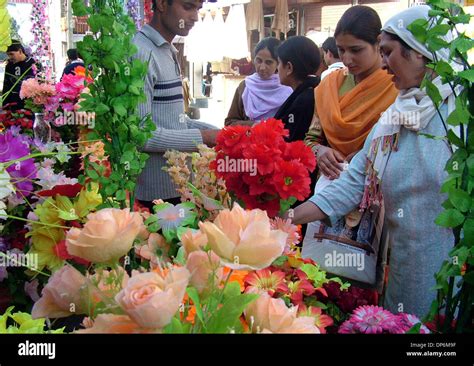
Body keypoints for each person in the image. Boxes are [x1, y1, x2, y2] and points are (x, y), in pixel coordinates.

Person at [288, 5, 459, 318]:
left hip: (454, 274)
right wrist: (286, 219)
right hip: (402, 268)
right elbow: (353, 183)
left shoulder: (460, 120)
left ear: (420, 53)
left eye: (389, 52)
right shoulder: (393, 117)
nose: (383, 62)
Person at [133, 0, 219, 209]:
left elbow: (174, 120)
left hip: (177, 188)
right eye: (188, 7)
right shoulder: (141, 52)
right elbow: (141, 135)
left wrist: (223, 134)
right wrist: (205, 138)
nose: (195, 17)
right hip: (154, 196)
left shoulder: (166, 49)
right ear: (162, 4)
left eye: (197, 9)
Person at [304, 6, 398, 181]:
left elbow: (405, 146)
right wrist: (320, 152)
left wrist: (369, 155)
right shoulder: (329, 84)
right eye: (341, 50)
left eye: (356, 50)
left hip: (376, 186)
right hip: (330, 185)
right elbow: (310, 139)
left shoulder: (396, 84)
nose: (346, 59)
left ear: (378, 43)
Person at [225, 37, 292, 126]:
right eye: (259, 60)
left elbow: (292, 124)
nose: (262, 67)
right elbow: (230, 122)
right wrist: (254, 126)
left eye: (269, 62)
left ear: (278, 63)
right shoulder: (245, 86)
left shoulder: (287, 88)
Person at [274, 35, 321, 143]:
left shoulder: (305, 100)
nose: (277, 68)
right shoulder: (312, 90)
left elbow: (292, 141)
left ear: (289, 67)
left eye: (279, 63)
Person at [1, 41, 36, 111]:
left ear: (20, 51)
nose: (10, 57)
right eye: (8, 55)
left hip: (29, 103)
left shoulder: (33, 63)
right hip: (13, 104)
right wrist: (4, 106)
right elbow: (6, 86)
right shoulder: (9, 65)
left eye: (11, 54)